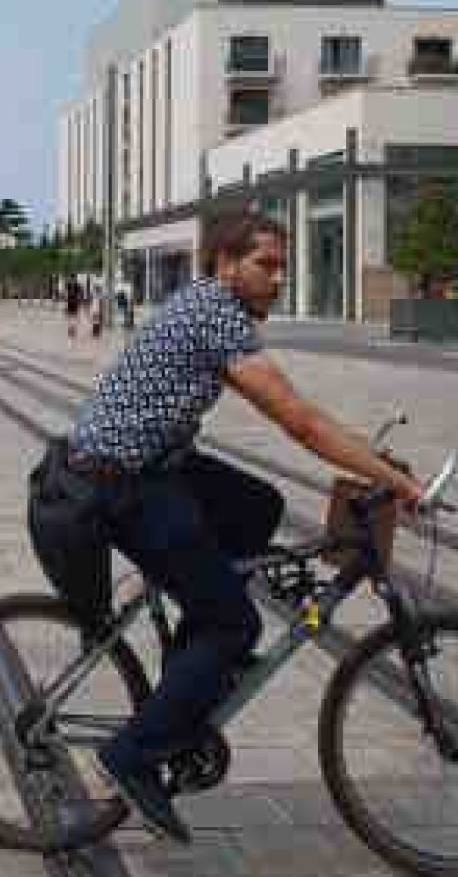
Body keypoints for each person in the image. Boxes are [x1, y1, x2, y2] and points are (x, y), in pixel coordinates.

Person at [42, 210, 425, 844]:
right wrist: (394, 478)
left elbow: (299, 421)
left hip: (146, 466)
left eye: (282, 267)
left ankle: (195, 656)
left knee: (258, 504)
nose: (277, 279)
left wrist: (375, 462)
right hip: (118, 486)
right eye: (265, 265)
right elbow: (300, 423)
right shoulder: (215, 314)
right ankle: (132, 755)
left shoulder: (210, 308)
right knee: (234, 624)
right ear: (223, 263)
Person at [63, 275, 83, 340]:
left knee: (74, 316)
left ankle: (73, 328)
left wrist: (78, 299)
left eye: (73, 279)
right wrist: (66, 298)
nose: (72, 280)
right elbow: (65, 293)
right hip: (69, 302)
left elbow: (80, 294)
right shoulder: (68, 285)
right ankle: (70, 328)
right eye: (71, 279)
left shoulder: (78, 286)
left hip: (75, 303)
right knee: (69, 316)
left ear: (75, 279)